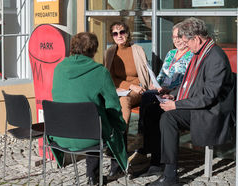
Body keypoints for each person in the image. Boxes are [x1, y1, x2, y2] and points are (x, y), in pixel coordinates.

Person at [144, 17, 235, 186]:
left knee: (168, 117)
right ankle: (157, 162)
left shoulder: (215, 57)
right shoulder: (200, 52)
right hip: (197, 104)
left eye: (186, 41)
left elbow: (208, 96)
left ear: (197, 39)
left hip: (210, 111)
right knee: (152, 110)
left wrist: (176, 104)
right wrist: (174, 95)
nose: (185, 45)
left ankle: (170, 175)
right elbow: (189, 83)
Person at [50, 32, 127, 185]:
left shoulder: (58, 68)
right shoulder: (100, 72)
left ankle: (93, 176)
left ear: (72, 47)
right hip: (88, 137)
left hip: (59, 134)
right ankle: (112, 169)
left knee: (89, 118)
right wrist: (121, 126)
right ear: (94, 50)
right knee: (107, 123)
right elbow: (113, 106)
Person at [128, 22, 194, 168]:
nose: (176, 40)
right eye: (174, 37)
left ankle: (145, 145)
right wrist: (155, 84)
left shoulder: (191, 55)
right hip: (161, 91)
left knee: (152, 106)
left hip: (175, 94)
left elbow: (187, 81)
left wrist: (169, 90)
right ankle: (143, 140)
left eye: (179, 37)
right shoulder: (171, 53)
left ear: (186, 37)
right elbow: (162, 74)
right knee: (147, 95)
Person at [103, 21, 151, 179]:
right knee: (108, 103)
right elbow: (109, 78)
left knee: (124, 101)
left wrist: (134, 87)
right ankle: (116, 154)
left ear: (127, 33)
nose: (119, 36)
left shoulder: (137, 50)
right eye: (115, 33)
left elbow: (143, 75)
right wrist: (128, 86)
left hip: (138, 90)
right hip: (119, 90)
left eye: (122, 32)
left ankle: (118, 138)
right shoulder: (109, 52)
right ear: (112, 36)